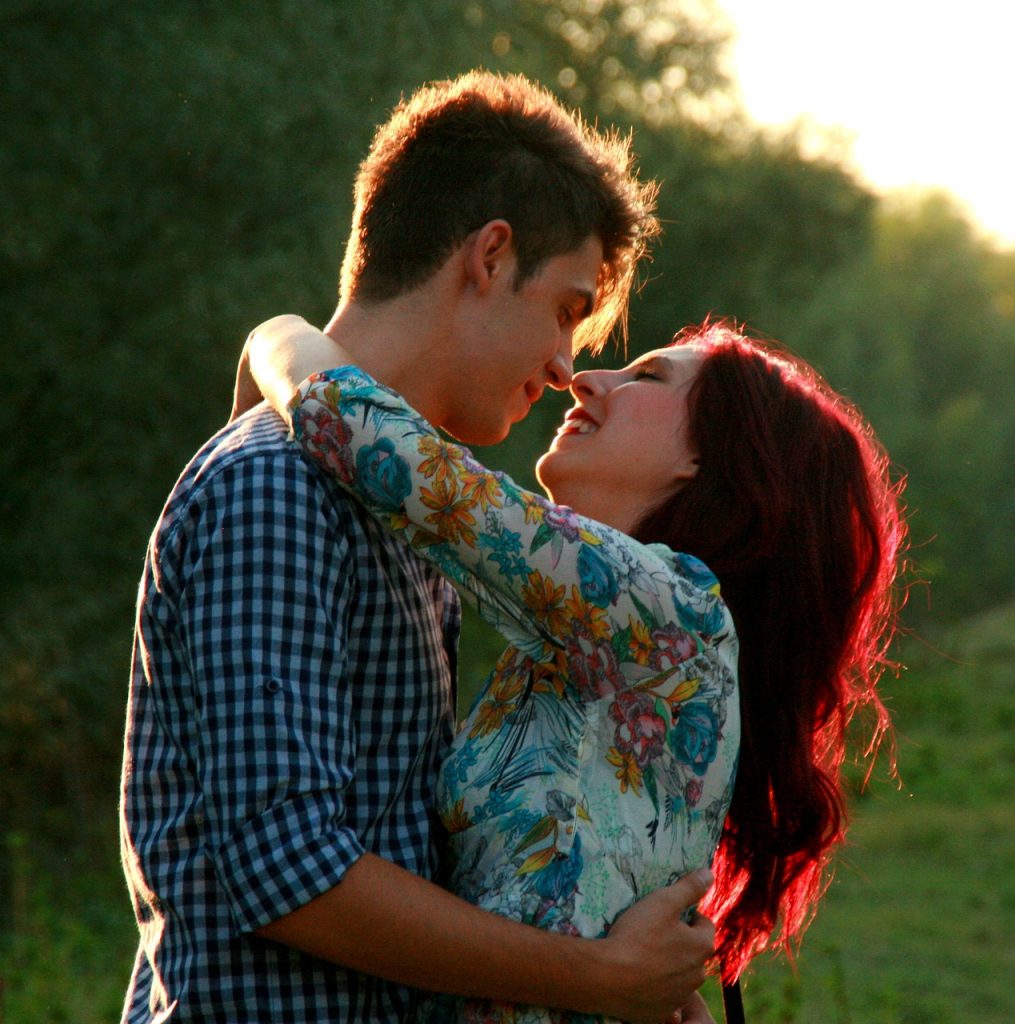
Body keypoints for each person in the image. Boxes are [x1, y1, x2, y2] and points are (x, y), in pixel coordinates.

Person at [119, 70, 720, 1024]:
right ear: (489, 256)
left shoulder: (404, 524)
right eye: (569, 308)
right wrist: (598, 980)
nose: (569, 369)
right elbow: (291, 869)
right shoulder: (276, 487)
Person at [238, 314, 907, 1021]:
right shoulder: (603, 638)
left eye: (647, 376)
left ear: (711, 460)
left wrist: (272, 337)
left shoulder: (666, 609)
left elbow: (392, 454)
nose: (585, 377)